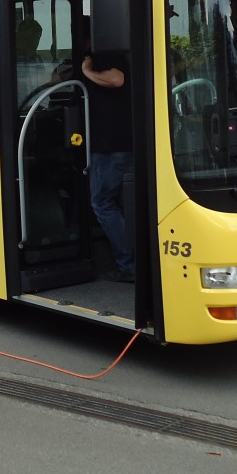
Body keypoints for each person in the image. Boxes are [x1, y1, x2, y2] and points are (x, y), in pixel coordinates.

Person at [81, 27, 135, 283]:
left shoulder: (103, 57)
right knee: (125, 204)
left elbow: (116, 79)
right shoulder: (101, 56)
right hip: (122, 144)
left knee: (102, 203)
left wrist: (87, 71)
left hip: (110, 146)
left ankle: (129, 264)